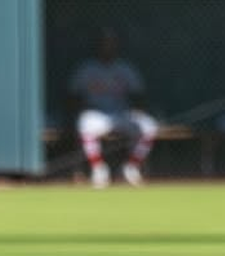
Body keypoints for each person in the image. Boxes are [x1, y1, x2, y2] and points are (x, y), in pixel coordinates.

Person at [67, 28, 159, 188]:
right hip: (97, 114)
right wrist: (80, 109)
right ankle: (98, 169)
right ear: (98, 46)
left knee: (149, 126)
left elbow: (138, 94)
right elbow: (73, 96)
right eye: (104, 43)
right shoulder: (87, 69)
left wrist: (139, 109)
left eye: (111, 44)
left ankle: (131, 168)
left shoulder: (125, 68)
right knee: (84, 123)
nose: (108, 47)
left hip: (122, 114)